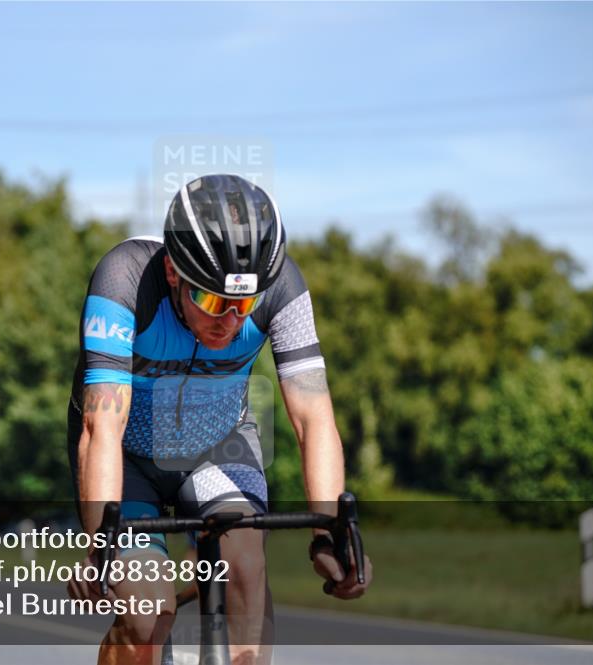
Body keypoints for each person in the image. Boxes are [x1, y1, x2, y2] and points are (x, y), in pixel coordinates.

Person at [66, 174, 373, 665]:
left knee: (245, 568)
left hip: (218, 445)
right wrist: (99, 546)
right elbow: (101, 427)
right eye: (211, 300)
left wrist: (329, 534)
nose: (228, 321)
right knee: (145, 616)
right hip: (126, 457)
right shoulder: (123, 279)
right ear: (173, 272)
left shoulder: (283, 287)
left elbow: (313, 416)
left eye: (244, 305)